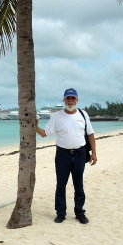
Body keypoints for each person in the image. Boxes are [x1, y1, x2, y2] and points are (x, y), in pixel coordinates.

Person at [35, 88, 97, 224]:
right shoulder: (56, 116)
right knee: (61, 185)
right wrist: (35, 126)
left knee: (78, 185)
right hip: (62, 155)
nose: (70, 101)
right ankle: (61, 213)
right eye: (67, 98)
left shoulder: (83, 114)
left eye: (72, 98)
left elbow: (91, 134)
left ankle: (80, 212)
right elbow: (45, 133)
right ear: (63, 100)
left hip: (80, 154)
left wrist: (94, 153)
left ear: (77, 100)